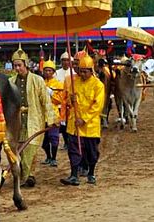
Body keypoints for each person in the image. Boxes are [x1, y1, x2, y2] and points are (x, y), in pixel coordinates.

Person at [9, 45, 57, 187]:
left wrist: (51, 119)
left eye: (19, 65)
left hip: (33, 119)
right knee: (17, 149)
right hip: (16, 121)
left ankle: (27, 176)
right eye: (14, 66)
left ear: (26, 64)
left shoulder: (37, 80)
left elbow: (46, 101)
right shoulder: (10, 82)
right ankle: (26, 175)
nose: (17, 68)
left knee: (30, 148)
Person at [60, 54, 105, 186]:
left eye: (85, 71)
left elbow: (97, 106)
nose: (82, 74)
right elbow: (67, 100)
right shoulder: (74, 83)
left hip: (90, 126)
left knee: (92, 153)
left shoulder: (98, 85)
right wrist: (71, 99)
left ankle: (91, 172)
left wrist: (84, 119)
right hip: (74, 124)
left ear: (91, 71)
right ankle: (74, 175)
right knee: (73, 150)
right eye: (80, 71)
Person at [41, 60, 63, 167]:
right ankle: (48, 156)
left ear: (53, 72)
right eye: (46, 70)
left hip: (53, 113)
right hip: (42, 114)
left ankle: (54, 158)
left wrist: (52, 93)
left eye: (50, 70)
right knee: (44, 140)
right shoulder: (41, 82)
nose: (48, 72)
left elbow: (60, 100)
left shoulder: (58, 84)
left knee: (53, 137)